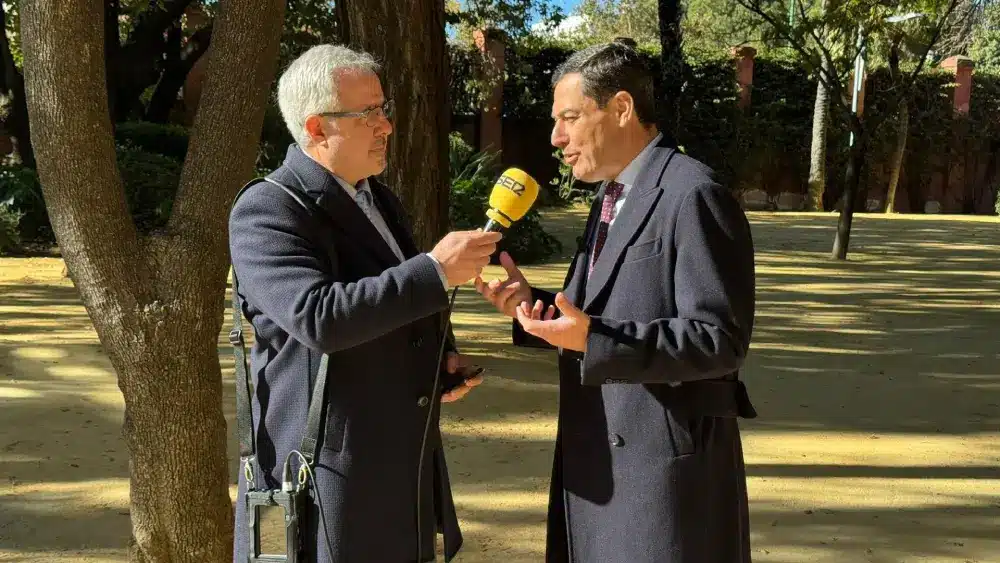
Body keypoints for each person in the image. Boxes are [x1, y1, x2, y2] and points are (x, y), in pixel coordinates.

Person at [475, 39, 758, 562]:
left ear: (622, 109)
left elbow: (719, 339)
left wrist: (594, 338)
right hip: (597, 466)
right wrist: (531, 307)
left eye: (569, 118)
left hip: (662, 481)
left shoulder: (692, 193)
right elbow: (606, 310)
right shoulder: (610, 196)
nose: (556, 137)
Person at [228, 44, 500, 563]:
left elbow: (388, 306)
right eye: (367, 113)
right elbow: (320, 317)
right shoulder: (268, 208)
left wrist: (440, 356)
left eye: (383, 109)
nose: (386, 126)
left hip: (397, 468)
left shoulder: (376, 196)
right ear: (315, 128)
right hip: (328, 479)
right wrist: (436, 270)